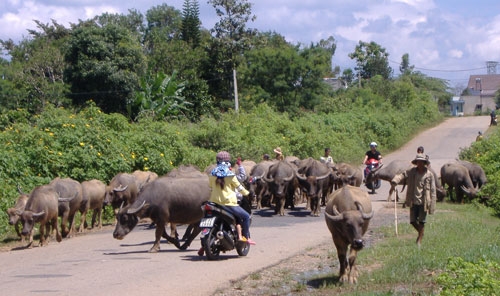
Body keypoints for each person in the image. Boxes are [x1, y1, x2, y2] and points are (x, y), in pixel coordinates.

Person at [208, 151, 255, 245]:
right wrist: (247, 193)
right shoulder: (231, 175)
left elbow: (211, 186)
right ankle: (246, 237)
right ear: (228, 161)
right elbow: (240, 188)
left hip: (214, 203)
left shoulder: (212, 174)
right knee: (245, 216)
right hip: (229, 204)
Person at [391, 154, 436, 247]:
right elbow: (403, 175)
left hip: (424, 201)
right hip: (413, 199)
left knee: (422, 221)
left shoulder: (429, 175)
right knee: (412, 221)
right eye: (418, 162)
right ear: (416, 163)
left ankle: (419, 240)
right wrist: (395, 180)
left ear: (424, 163)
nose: (419, 163)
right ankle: (421, 233)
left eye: (421, 162)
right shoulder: (412, 172)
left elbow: (433, 190)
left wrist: (432, 205)